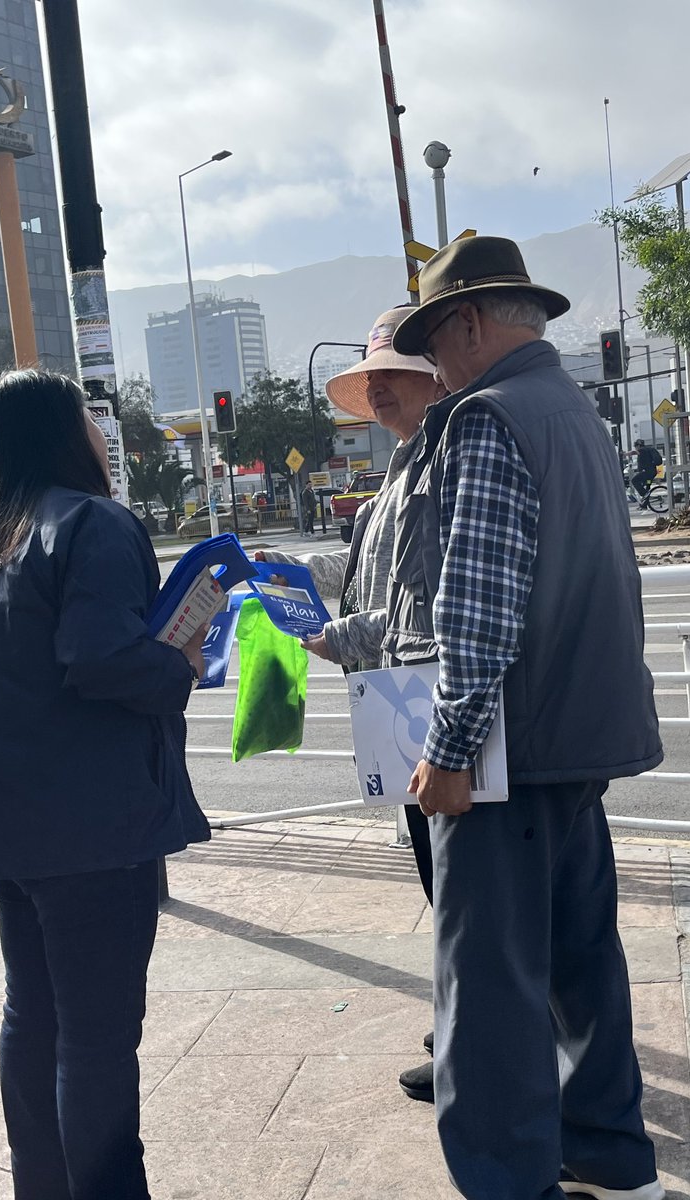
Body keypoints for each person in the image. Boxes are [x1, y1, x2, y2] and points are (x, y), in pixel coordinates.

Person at [385, 238, 665, 1200]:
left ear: (467, 323)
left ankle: (510, 1182)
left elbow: (481, 604)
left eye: (433, 343)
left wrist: (448, 749)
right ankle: (615, 1161)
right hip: (579, 737)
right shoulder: (575, 414)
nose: (432, 368)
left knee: (489, 990)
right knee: (582, 963)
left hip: (513, 748)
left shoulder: (486, 418)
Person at [0, 369, 211, 1200]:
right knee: (96, 1041)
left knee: (35, 1020)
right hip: (94, 830)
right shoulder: (90, 522)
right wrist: (180, 661)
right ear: (65, 434)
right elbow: (100, 658)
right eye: (91, 418)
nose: (102, 432)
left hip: (11, 829)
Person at [256, 306, 446, 1101]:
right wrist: (282, 563)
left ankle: (485, 1037)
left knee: (461, 877)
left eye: (391, 374)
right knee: (440, 874)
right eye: (368, 379)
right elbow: (359, 569)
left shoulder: (446, 465)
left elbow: (424, 607)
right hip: (396, 695)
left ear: (434, 376)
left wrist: (343, 636)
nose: (376, 390)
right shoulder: (400, 469)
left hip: (429, 693)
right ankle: (471, 1020)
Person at [631, 438, 662, 507]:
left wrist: (624, 454)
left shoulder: (642, 450)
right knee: (647, 486)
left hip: (647, 473)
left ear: (638, 446)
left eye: (635, 446)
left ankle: (644, 494)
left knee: (634, 481)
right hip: (651, 474)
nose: (635, 448)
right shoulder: (647, 450)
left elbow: (633, 452)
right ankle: (645, 504)